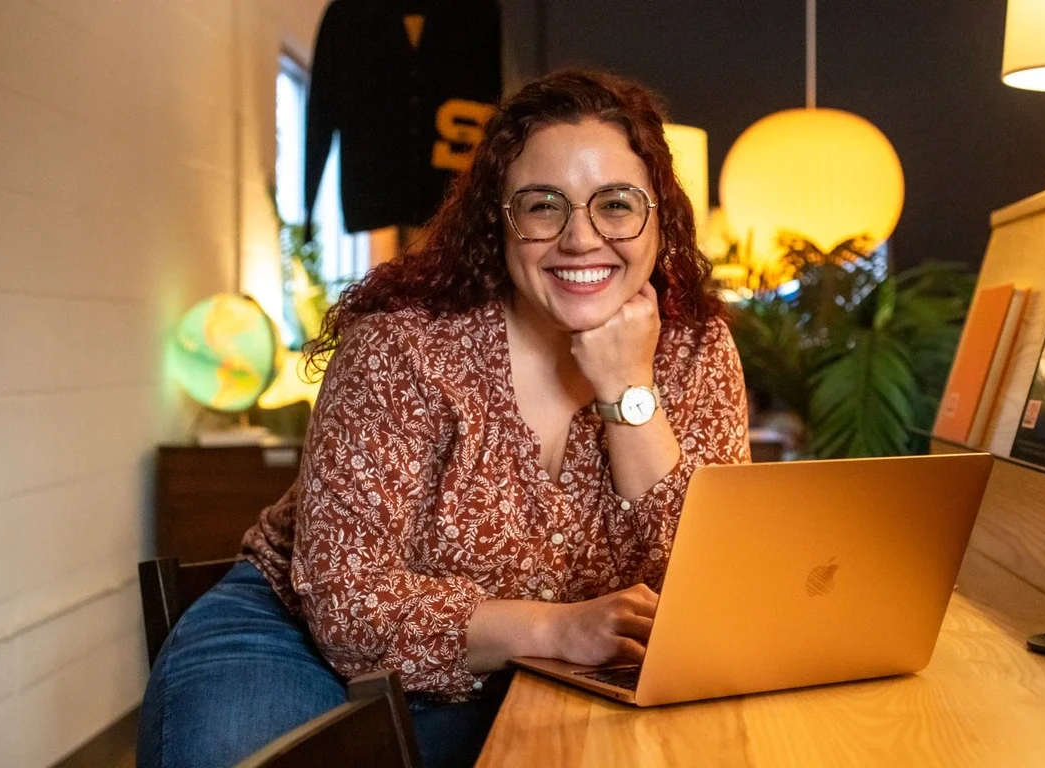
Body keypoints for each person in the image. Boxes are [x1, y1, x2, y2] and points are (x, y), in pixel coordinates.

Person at [137, 69, 750, 768]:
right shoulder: (405, 343)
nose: (582, 238)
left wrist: (627, 387)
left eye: (616, 204)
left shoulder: (697, 348)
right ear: (500, 218)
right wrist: (560, 630)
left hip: (529, 679)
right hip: (295, 643)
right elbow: (349, 608)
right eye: (544, 206)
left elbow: (708, 590)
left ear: (659, 216)